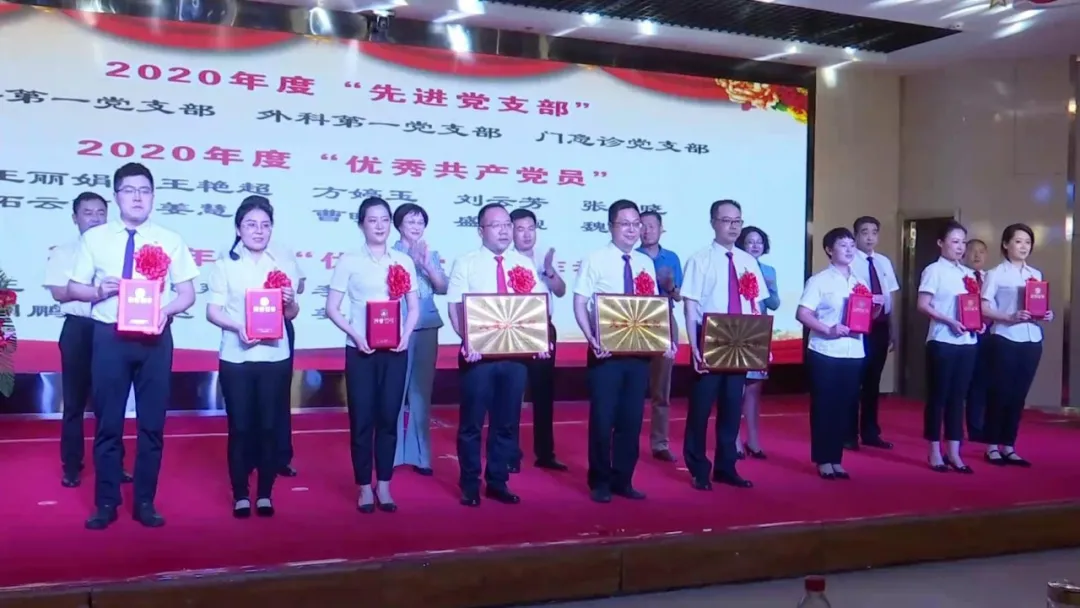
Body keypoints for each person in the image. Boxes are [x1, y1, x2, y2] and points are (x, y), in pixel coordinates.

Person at [67, 162, 200, 529]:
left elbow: (187, 293)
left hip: (155, 339)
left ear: (153, 196)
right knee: (108, 423)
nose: (137, 197)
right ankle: (106, 503)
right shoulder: (95, 239)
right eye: (129, 190)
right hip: (109, 337)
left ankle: (144, 501)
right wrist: (98, 290)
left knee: (152, 424)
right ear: (116, 196)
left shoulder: (170, 239)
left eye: (144, 191)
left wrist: (166, 311)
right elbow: (73, 287)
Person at [447, 203, 549, 506]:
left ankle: (497, 481)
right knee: (472, 423)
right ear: (481, 231)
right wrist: (467, 341)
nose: (504, 231)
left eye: (507, 225)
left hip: (516, 357)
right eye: (496, 226)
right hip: (478, 358)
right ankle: (469, 483)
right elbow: (455, 307)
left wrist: (539, 340)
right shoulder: (466, 263)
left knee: (506, 422)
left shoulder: (524, 263)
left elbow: (536, 306)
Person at [574, 199, 675, 503]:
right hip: (605, 354)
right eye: (625, 224)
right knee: (603, 420)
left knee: (631, 421)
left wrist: (664, 340)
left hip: (639, 354)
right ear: (610, 226)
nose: (632, 230)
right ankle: (600, 481)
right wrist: (592, 338)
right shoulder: (595, 259)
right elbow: (580, 302)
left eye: (636, 224)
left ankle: (623, 480)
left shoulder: (644, 262)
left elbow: (652, 308)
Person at [326, 197, 420, 512]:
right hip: (360, 351)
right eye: (372, 220)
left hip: (395, 351)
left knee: (389, 418)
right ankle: (365, 486)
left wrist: (405, 336)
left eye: (384, 220)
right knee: (362, 419)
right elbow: (332, 308)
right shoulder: (349, 261)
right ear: (361, 224)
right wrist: (355, 335)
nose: (379, 226)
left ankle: (385, 485)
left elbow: (413, 307)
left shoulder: (403, 261)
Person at [207, 196, 299, 518]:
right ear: (238, 229)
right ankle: (241, 493)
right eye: (251, 225)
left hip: (275, 357)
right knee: (241, 427)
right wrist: (238, 326)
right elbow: (213, 311)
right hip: (236, 357)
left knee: (270, 426)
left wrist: (290, 301)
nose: (258, 231)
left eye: (265, 225)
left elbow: (291, 314)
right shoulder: (225, 265)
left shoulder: (282, 265)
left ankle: (265, 493)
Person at [44, 192, 132, 488]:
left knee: (111, 401)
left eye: (100, 213)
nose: (95, 218)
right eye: (88, 213)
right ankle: (72, 465)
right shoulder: (63, 251)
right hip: (79, 330)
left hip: (109, 328)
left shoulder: (119, 249)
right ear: (75, 218)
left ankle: (113, 463)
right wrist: (94, 290)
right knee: (75, 402)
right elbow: (59, 292)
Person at [680, 200, 761, 490]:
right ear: (713, 223)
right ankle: (698, 468)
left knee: (731, 407)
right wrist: (695, 347)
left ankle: (726, 466)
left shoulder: (748, 261)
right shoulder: (699, 260)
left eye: (737, 221)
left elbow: (755, 305)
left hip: (741, 339)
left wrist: (760, 344)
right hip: (710, 337)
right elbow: (690, 307)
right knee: (701, 409)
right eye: (726, 220)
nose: (733, 226)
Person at [796, 227, 866, 480]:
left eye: (852, 245)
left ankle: (836, 459)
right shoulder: (819, 281)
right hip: (825, 351)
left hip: (854, 352)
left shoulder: (859, 282)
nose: (849, 250)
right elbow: (803, 313)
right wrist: (828, 329)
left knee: (845, 408)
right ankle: (823, 459)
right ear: (829, 250)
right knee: (824, 406)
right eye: (843, 245)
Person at [980, 224, 1050, 467]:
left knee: (1019, 395)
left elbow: (1037, 305)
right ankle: (992, 446)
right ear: (1005, 244)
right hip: (1005, 338)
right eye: (1018, 241)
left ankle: (1009, 445)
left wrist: (1045, 314)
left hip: (1031, 339)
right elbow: (984, 307)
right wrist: (1009, 317)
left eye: (1028, 242)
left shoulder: (1035, 274)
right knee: (1000, 393)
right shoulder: (996, 273)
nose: (1023, 247)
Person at [916, 220, 979, 474]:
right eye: (954, 241)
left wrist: (978, 324)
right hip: (942, 341)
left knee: (958, 398)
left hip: (967, 342)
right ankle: (934, 450)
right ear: (941, 243)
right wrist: (949, 321)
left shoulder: (968, 274)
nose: (960, 247)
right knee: (938, 398)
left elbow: (973, 307)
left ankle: (954, 452)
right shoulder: (934, 271)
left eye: (963, 242)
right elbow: (923, 305)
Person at [392, 203, 448, 477]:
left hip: (426, 323)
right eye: (410, 221)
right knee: (395, 390)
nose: (416, 226)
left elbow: (443, 287)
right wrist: (410, 262)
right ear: (398, 225)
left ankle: (421, 456)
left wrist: (426, 264)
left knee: (421, 391)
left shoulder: (431, 254)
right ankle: (391, 454)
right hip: (397, 325)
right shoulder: (390, 254)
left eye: (420, 222)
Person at [510, 208, 568, 472]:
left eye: (531, 229)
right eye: (520, 229)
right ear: (510, 231)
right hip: (515, 329)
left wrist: (549, 271)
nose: (526, 234)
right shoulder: (505, 260)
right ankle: (510, 452)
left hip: (544, 328)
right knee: (513, 393)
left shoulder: (543, 257)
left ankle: (545, 452)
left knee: (543, 393)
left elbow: (561, 291)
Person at [849, 216, 899, 451]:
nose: (870, 237)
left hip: (880, 326)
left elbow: (891, 297)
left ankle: (870, 431)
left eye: (874, 232)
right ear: (856, 236)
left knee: (873, 381)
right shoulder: (850, 260)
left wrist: (893, 329)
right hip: (858, 327)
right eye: (864, 232)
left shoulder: (883, 262)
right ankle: (848, 433)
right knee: (854, 380)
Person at [637, 210, 682, 463]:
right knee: (632, 385)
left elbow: (679, 296)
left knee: (662, 389)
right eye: (641, 226)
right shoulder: (632, 256)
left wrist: (670, 287)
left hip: (665, 319)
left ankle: (660, 443)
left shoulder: (671, 258)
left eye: (651, 226)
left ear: (661, 228)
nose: (646, 231)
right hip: (636, 321)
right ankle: (624, 438)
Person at [733, 225, 780, 460]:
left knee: (753, 389)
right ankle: (733, 440)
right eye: (750, 241)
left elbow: (774, 304)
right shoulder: (734, 266)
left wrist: (766, 286)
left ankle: (753, 440)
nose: (755, 245)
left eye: (759, 242)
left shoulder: (768, 270)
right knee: (736, 389)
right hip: (737, 331)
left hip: (759, 332)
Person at [963, 238, 991, 443]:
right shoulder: (959, 276)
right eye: (972, 250)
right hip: (964, 333)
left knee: (982, 382)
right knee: (963, 382)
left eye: (981, 251)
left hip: (989, 335)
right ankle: (953, 429)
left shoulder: (991, 277)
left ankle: (978, 428)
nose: (977, 255)